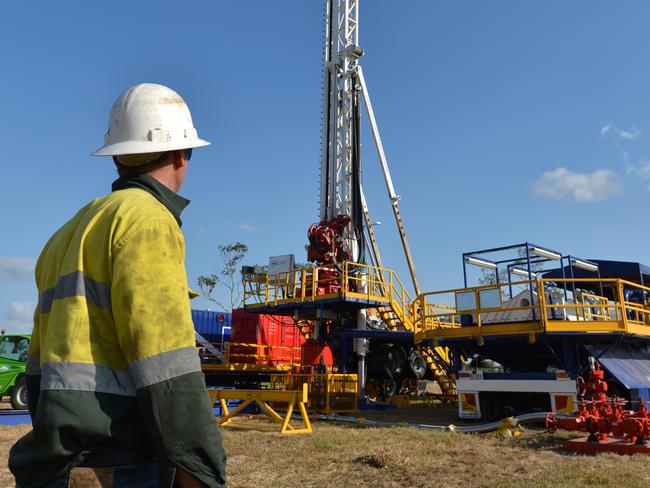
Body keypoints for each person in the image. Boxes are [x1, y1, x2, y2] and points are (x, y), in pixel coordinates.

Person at [9, 83, 227, 488]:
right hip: (120, 462)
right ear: (182, 155)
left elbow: (38, 366)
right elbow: (167, 367)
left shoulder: (67, 232)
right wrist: (199, 469)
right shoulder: (148, 222)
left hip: (58, 460)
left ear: (118, 158)